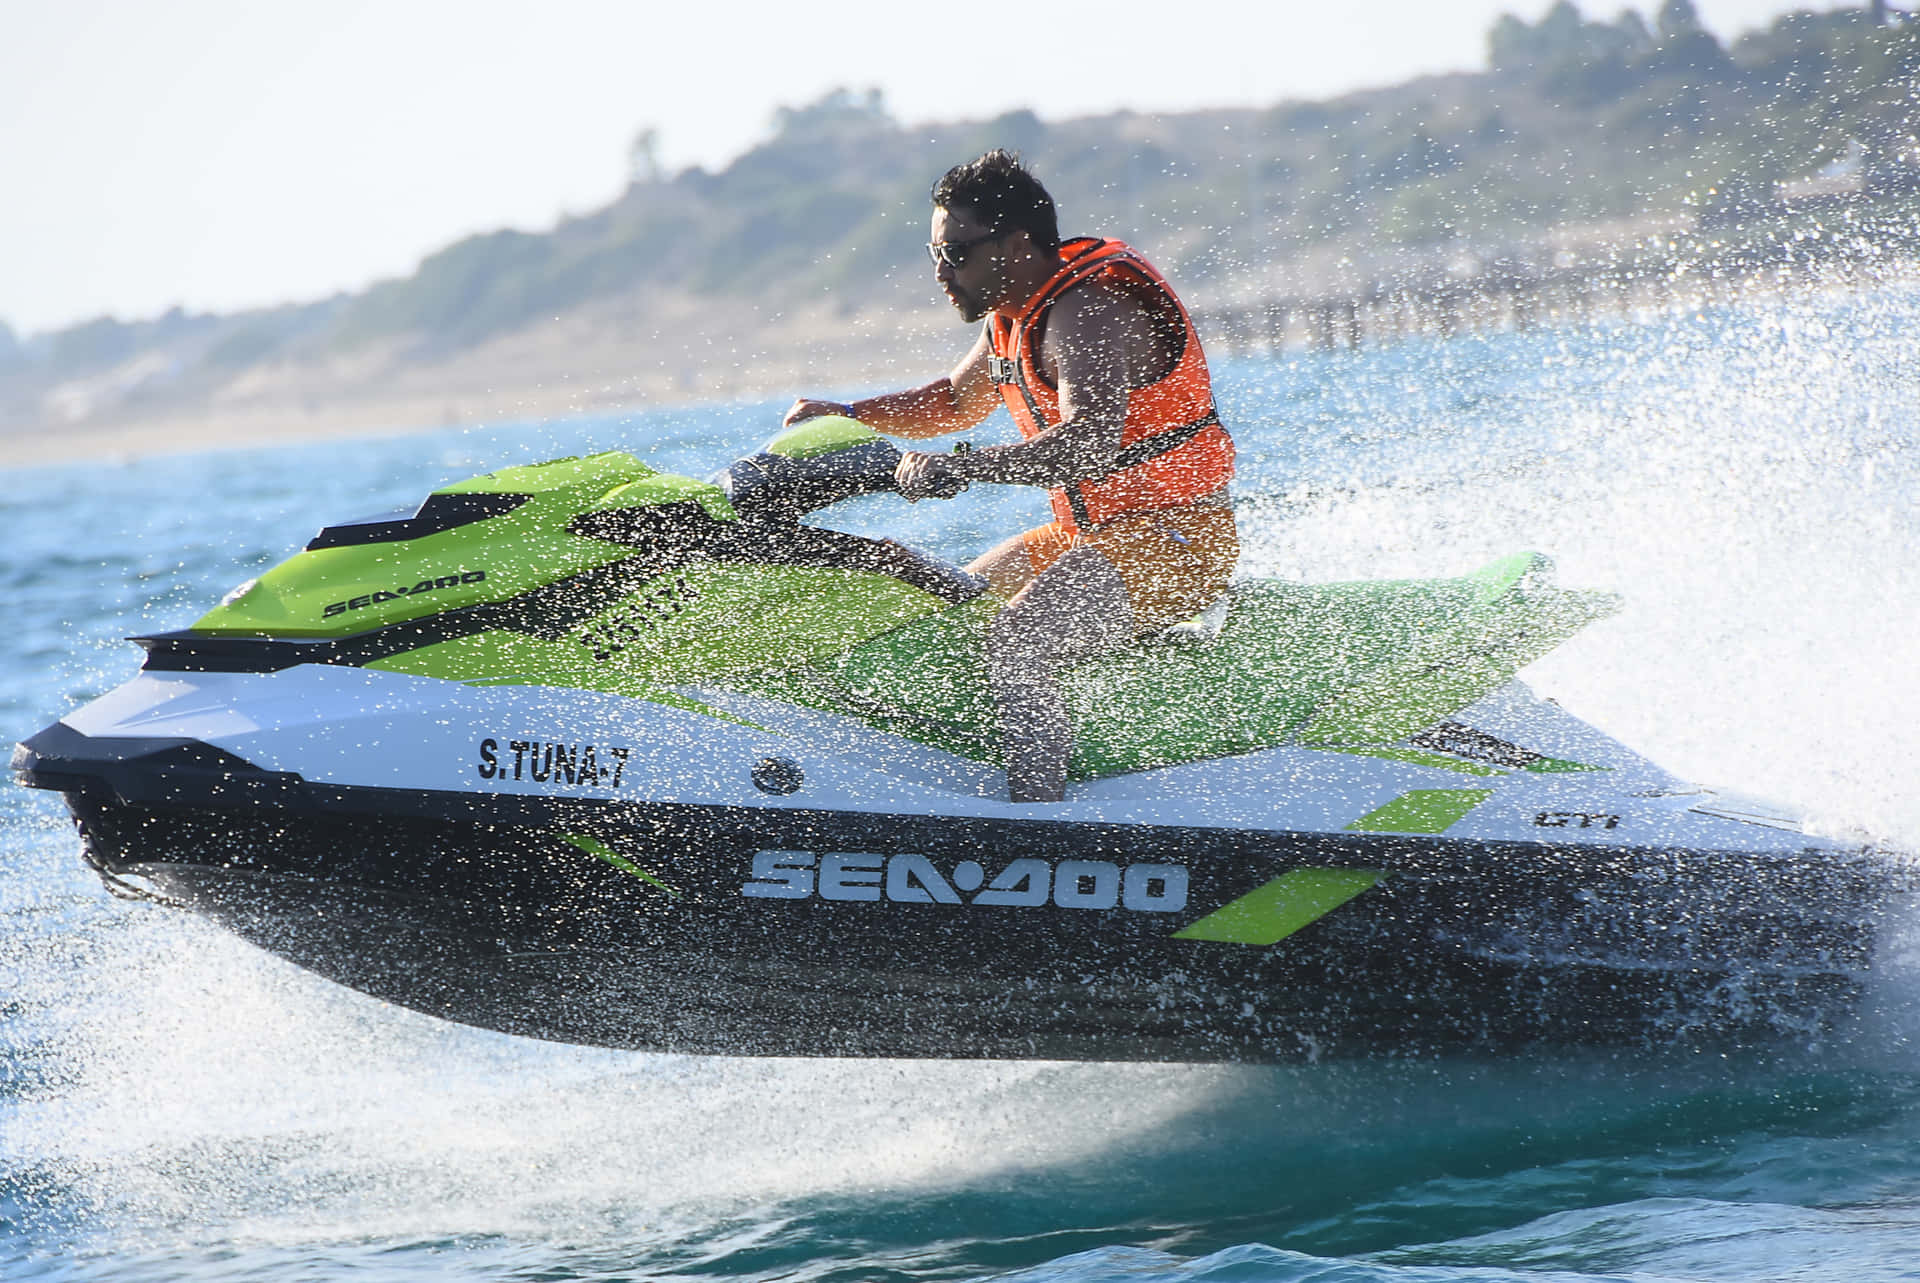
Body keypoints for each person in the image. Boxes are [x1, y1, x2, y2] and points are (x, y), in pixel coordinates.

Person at [784, 150, 1237, 803]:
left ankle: (1037, 814)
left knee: (1018, 637)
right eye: (934, 256)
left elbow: (1085, 445)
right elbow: (952, 402)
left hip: (1179, 541)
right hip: (1092, 540)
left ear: (1017, 243)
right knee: (956, 598)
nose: (942, 274)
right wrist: (850, 414)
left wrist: (962, 466)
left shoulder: (1089, 314)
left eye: (956, 253)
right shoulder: (1010, 318)